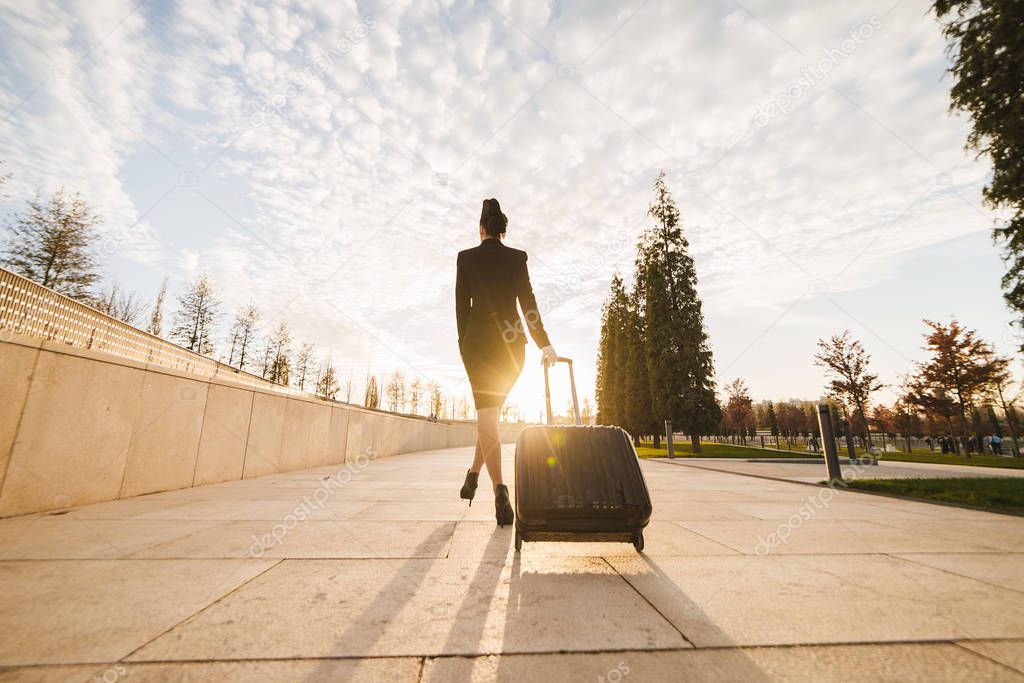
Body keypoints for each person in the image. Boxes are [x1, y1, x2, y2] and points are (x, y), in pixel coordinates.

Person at [455, 198, 557, 526]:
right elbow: (529, 305)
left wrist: (464, 347)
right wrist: (545, 344)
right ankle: (472, 475)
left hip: (478, 348)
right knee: (490, 419)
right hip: (512, 350)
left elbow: (461, 311)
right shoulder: (517, 258)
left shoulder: (465, 259)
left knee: (487, 420)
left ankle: (500, 491)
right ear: (501, 229)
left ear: (481, 227)